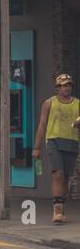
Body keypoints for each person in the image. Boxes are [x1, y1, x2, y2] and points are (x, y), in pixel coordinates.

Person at [33, 73, 79, 224]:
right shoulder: (49, 103)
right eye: (64, 85)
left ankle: (62, 208)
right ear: (57, 88)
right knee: (58, 174)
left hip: (72, 141)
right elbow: (42, 124)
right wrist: (37, 147)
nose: (67, 88)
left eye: (69, 85)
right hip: (54, 141)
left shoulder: (77, 104)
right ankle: (57, 212)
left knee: (66, 177)